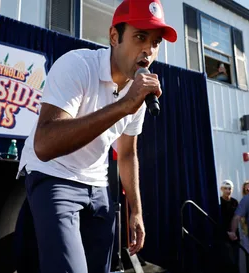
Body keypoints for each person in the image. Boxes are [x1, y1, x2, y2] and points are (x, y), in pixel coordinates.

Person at [16, 0, 177, 272]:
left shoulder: (137, 91)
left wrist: (135, 210)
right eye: (140, 37)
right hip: (54, 174)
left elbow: (127, 153)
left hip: (96, 184)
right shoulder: (77, 65)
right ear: (114, 36)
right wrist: (123, 106)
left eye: (156, 42)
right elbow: (44, 144)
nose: (148, 50)